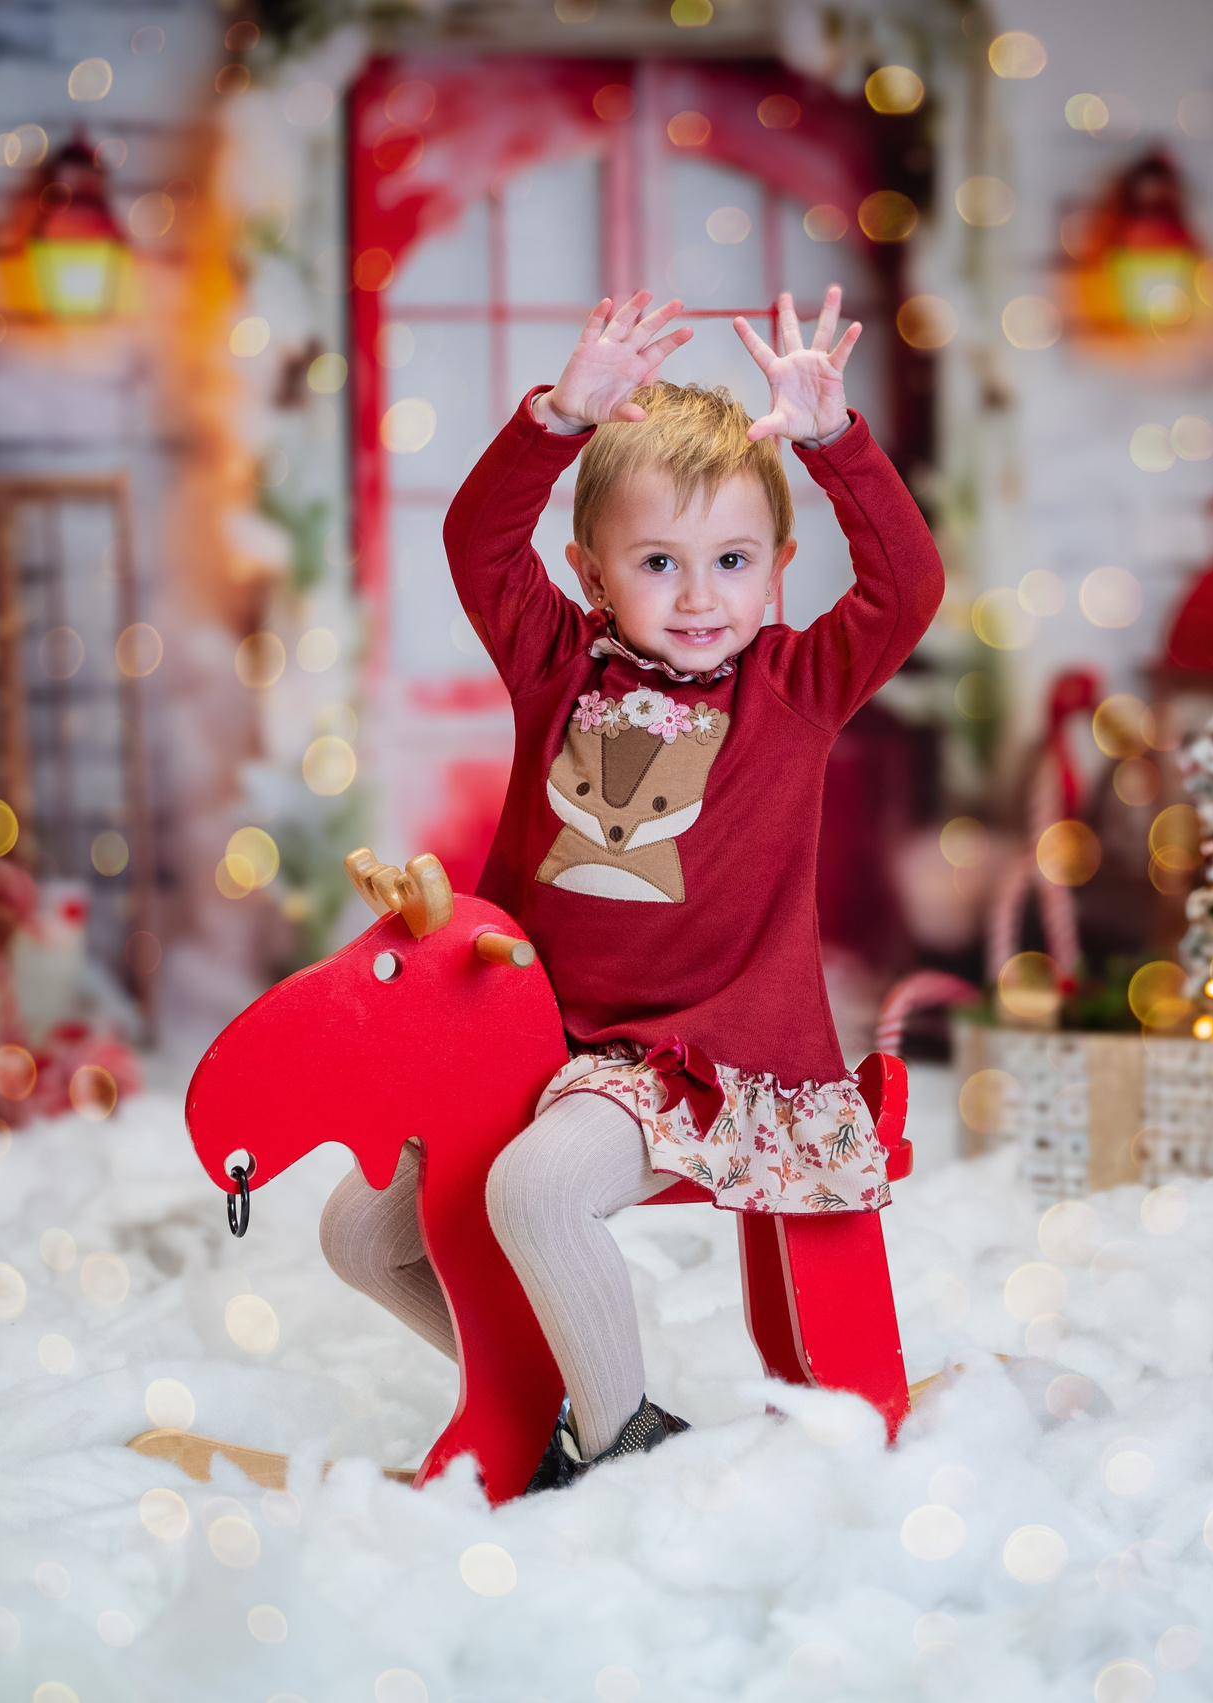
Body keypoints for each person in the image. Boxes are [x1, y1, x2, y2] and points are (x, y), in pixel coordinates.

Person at [318, 287, 944, 1488]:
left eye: (731, 561)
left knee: (536, 1189)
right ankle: (548, 1408)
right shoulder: (555, 661)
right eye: (659, 562)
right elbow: (475, 543)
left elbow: (905, 588)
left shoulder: (796, 686)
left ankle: (625, 1449)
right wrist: (557, 419)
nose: (699, 596)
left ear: (778, 567)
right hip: (529, 1046)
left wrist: (833, 442)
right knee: (360, 1233)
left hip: (699, 1058)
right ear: (592, 571)